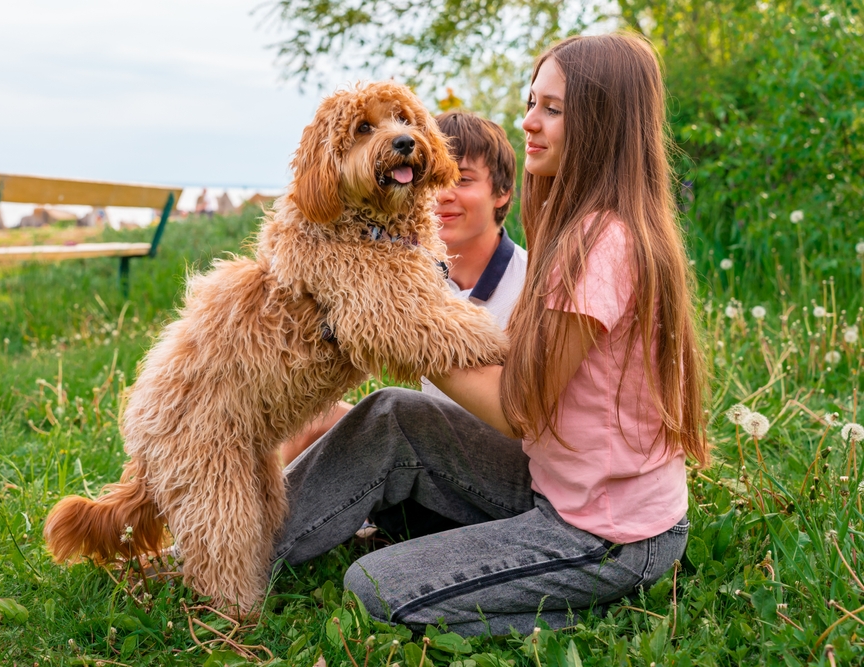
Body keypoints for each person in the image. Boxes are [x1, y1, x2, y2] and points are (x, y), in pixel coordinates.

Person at [273, 33, 707, 636]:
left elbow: (521, 410)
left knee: (373, 586)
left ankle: (600, 604)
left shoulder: (602, 247)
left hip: (606, 534)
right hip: (549, 480)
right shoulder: (578, 226)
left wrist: (399, 328)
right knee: (392, 413)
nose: (528, 122)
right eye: (532, 102)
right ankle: (232, 552)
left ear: (604, 122)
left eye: (552, 109)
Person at [279, 111, 526, 466]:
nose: (442, 196)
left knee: (391, 409)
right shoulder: (407, 273)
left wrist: (407, 333)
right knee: (313, 421)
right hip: (432, 443)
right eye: (431, 179)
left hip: (500, 462)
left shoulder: (531, 281)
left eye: (462, 180)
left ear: (501, 193)